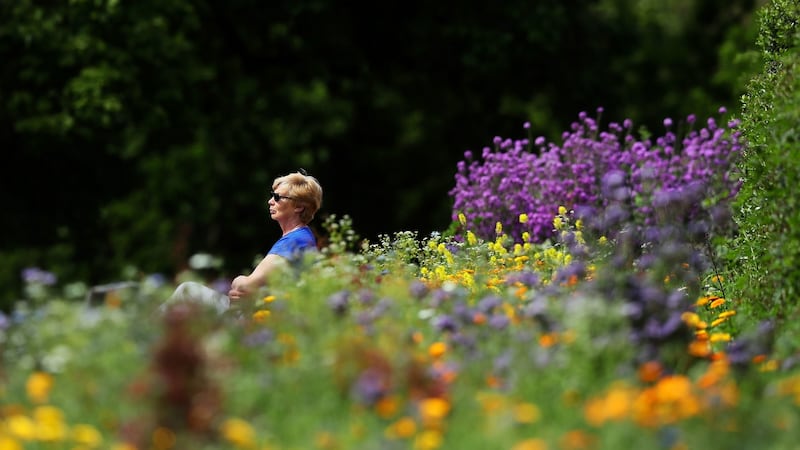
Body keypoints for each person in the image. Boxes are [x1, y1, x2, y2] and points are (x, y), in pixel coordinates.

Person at [163, 170, 323, 314]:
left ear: (299, 207)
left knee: (188, 290)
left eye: (277, 197)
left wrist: (239, 282)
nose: (270, 201)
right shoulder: (303, 238)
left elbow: (245, 286)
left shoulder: (295, 241)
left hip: (258, 321)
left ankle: (144, 335)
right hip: (265, 315)